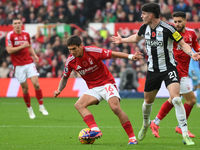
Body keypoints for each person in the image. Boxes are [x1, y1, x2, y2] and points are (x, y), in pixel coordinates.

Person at [111, 3, 200, 145]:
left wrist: (192, 53)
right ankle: (146, 124)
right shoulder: (144, 27)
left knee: (176, 99)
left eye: (143, 13)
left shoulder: (168, 28)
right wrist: (122, 40)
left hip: (169, 69)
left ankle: (184, 133)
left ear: (150, 15)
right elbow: (136, 37)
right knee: (147, 102)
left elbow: (183, 43)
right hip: (152, 71)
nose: (141, 16)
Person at [53, 35, 143, 145]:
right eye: (70, 50)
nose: (72, 52)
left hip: (107, 83)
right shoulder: (70, 61)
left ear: (81, 46)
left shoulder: (92, 51)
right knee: (79, 105)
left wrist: (130, 56)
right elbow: (65, 77)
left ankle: (132, 138)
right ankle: (95, 129)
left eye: (74, 49)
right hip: (94, 88)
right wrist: (59, 89)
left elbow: (112, 54)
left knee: (115, 108)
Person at [149, 11, 200, 139]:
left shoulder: (192, 34)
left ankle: (155, 122)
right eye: (175, 22)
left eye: (179, 21)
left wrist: (197, 53)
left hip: (185, 70)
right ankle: (181, 127)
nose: (176, 24)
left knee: (174, 99)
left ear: (185, 21)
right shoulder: (170, 33)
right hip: (174, 70)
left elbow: (196, 48)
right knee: (191, 100)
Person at [5, 18, 49, 119]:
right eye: (15, 23)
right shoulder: (10, 35)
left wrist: (34, 55)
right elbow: (9, 50)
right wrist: (22, 46)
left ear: (21, 24)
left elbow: (29, 47)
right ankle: (29, 109)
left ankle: (41, 106)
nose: (17, 25)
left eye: (19, 23)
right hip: (18, 66)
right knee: (25, 89)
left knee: (36, 84)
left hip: (29, 63)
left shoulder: (26, 34)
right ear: (13, 25)